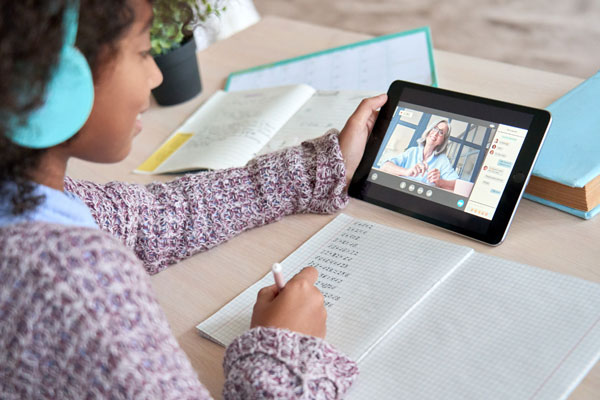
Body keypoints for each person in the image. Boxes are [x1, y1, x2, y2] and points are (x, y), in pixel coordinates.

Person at [0, 0, 387, 398]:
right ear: (51, 81)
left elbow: (155, 219)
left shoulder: (26, 195)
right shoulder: (75, 282)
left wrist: (318, 169)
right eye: (143, 52)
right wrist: (285, 353)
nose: (155, 76)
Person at [380, 119, 459, 191]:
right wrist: (407, 172)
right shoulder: (412, 151)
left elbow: (457, 185)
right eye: (435, 128)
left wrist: (440, 182)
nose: (435, 133)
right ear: (429, 131)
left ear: (442, 141)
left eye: (441, 132)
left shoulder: (442, 160)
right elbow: (385, 167)